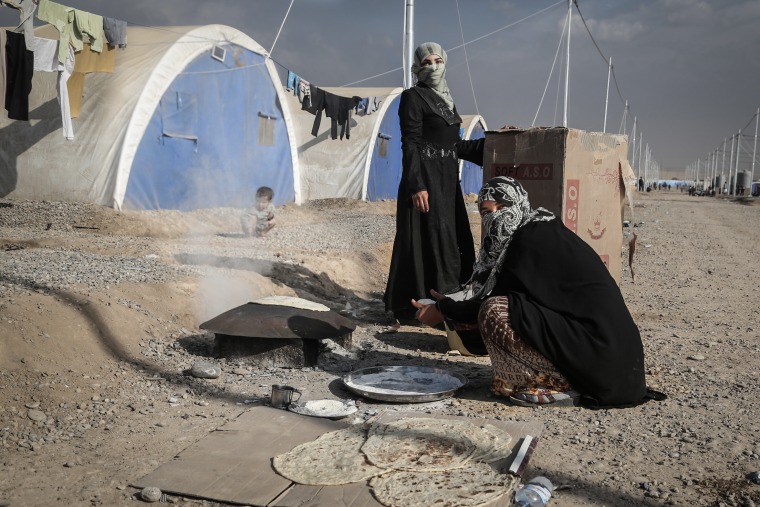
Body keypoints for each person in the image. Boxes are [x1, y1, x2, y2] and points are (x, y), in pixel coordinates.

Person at [412, 176, 664, 409]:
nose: (496, 218)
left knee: (494, 312)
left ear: (519, 204)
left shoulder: (530, 240)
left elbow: (490, 304)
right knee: (501, 309)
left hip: (604, 361)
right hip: (610, 360)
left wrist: (443, 311)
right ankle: (559, 378)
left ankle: (562, 385)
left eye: (502, 208)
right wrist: (449, 307)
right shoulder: (540, 230)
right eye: (487, 213)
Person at [383, 41, 484, 324]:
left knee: (450, 238)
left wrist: (496, 144)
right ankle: (423, 305)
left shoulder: (448, 101)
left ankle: (448, 302)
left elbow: (454, 145)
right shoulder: (413, 97)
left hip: (447, 180)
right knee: (429, 239)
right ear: (418, 67)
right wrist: (416, 184)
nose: (433, 67)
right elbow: (410, 143)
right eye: (427, 63)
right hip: (425, 179)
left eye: (438, 61)